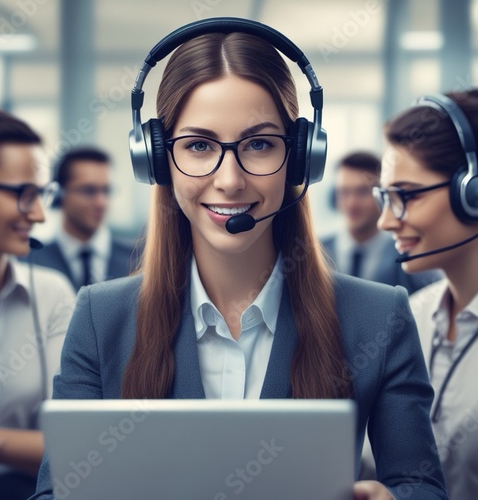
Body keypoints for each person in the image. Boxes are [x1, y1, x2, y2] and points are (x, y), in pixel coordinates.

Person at [31, 18, 448, 499]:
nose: (229, 180)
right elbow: (55, 492)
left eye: (259, 144)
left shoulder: (378, 316)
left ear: (299, 157)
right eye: (199, 145)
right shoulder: (101, 318)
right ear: (158, 159)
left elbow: (421, 487)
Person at [375, 89, 478, 499]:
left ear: (471, 191)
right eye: (385, 196)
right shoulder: (405, 317)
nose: (385, 220)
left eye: (408, 195)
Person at [0, 105, 75, 499]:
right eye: (24, 194)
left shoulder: (52, 294)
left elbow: (72, 447)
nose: (38, 214)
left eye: (42, 194)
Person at [322, 150, 441, 293]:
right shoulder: (316, 251)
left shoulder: (408, 253)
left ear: (383, 198)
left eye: (362, 192)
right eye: (344, 192)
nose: (351, 203)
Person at [25, 146, 139, 291]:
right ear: (58, 195)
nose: (101, 202)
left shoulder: (141, 259)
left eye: (106, 190)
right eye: (89, 191)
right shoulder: (30, 262)